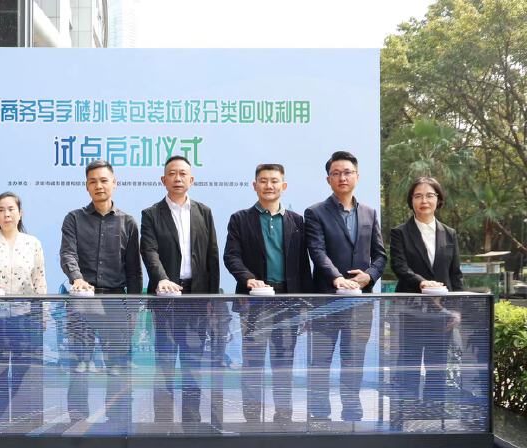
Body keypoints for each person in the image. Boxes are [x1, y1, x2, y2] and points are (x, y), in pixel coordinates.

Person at [224, 163, 312, 423]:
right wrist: (249, 279)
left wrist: (305, 305)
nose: (269, 186)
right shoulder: (240, 219)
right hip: (255, 301)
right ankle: (251, 418)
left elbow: (303, 266)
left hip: (288, 301)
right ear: (255, 186)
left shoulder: (297, 221)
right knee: (252, 364)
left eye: (274, 181)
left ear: (283, 186)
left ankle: (283, 417)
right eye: (263, 181)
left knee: (284, 364)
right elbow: (231, 257)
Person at [305, 151, 387, 422]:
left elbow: (380, 255)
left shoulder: (369, 213)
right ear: (328, 179)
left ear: (357, 177)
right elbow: (317, 251)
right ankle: (319, 413)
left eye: (347, 172)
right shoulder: (315, 212)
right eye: (336, 173)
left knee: (354, 360)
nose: (342, 177)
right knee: (320, 361)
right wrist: (336, 277)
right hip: (325, 300)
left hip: (360, 303)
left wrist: (369, 276)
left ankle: (352, 411)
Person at [59, 159, 142, 424]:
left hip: (116, 302)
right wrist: (77, 278)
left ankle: (117, 420)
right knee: (79, 364)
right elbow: (68, 254)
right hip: (82, 300)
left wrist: (134, 310)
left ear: (114, 183)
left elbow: (134, 271)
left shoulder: (128, 222)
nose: (99, 186)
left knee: (118, 367)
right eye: (93, 181)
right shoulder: (74, 218)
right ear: (86, 186)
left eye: (104, 180)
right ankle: (77, 421)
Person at [141, 155, 219, 423]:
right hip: (165, 299)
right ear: (163, 180)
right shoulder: (151, 214)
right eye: (172, 174)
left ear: (191, 179)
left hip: (196, 298)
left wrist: (212, 298)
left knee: (193, 364)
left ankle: (191, 421)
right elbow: (149, 251)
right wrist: (161, 278)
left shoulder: (204, 212)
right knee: (165, 363)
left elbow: (211, 257)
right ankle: (163, 422)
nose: (177, 178)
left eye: (183, 173)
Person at [389, 176, 463, 425]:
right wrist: (422, 283)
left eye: (430, 195)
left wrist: (457, 310)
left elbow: (455, 274)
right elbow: (399, 267)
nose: (424, 200)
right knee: (408, 364)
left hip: (442, 314)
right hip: (411, 311)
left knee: (437, 365)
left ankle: (433, 416)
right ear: (411, 200)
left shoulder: (449, 233)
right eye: (418, 196)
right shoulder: (400, 232)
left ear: (438, 200)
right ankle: (405, 414)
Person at [0, 191, 47, 427]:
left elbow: (39, 281)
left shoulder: (32, 243)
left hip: (25, 318)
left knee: (23, 376)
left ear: (20, 213)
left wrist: (43, 315)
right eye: (1, 210)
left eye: (11, 209)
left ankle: (24, 428)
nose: (6, 214)